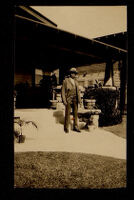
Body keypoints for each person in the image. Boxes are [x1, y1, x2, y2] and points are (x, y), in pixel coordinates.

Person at [61, 67, 82, 133]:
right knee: (67, 113)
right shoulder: (65, 81)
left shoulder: (76, 81)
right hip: (69, 99)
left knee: (75, 114)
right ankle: (66, 127)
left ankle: (75, 126)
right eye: (73, 73)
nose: (74, 75)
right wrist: (64, 100)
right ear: (70, 74)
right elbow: (63, 92)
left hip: (75, 99)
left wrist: (80, 101)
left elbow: (78, 91)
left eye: (75, 73)